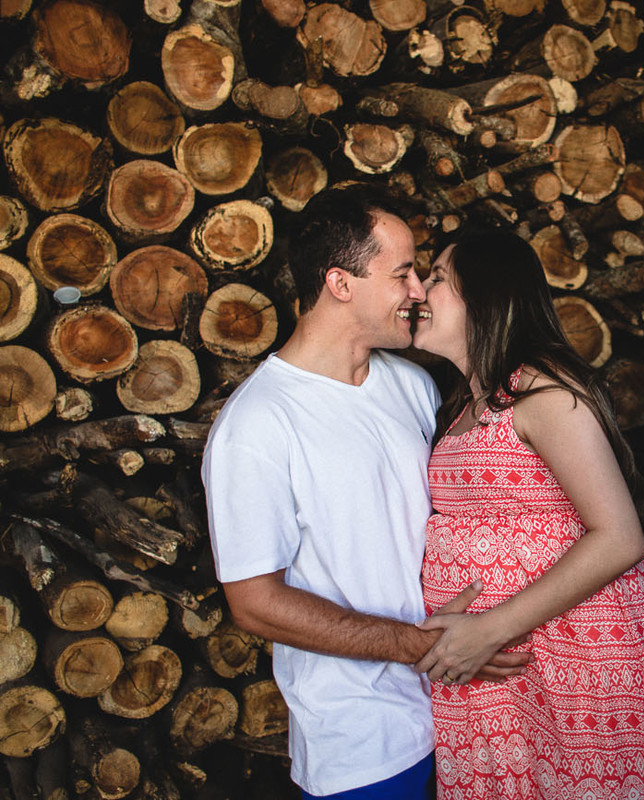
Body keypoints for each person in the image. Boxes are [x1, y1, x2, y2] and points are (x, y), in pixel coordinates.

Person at [201, 187, 530, 800]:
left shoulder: (411, 385)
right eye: (403, 273)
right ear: (340, 283)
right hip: (363, 742)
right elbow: (254, 604)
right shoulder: (256, 425)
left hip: (470, 715)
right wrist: (421, 645)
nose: (417, 292)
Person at [411, 230, 644, 799]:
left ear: (487, 296)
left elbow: (619, 537)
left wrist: (489, 630)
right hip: (493, 667)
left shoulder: (543, 392)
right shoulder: (465, 405)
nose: (419, 291)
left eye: (437, 277)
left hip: (574, 654)